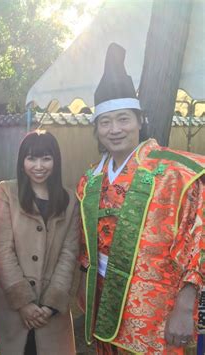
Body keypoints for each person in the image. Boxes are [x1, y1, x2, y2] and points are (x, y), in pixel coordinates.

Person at [77, 43, 204, 354]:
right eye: (105, 122)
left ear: (139, 121)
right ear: (97, 129)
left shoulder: (176, 172)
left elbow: (198, 238)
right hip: (103, 300)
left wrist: (186, 305)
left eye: (124, 119)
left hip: (157, 303)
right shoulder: (89, 180)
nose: (115, 129)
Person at [0, 131, 79, 354]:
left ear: (55, 161)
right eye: (31, 158)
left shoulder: (70, 200)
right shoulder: (7, 192)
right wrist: (23, 302)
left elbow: (69, 253)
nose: (39, 166)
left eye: (46, 158)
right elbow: (1, 249)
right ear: (22, 162)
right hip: (10, 306)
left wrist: (51, 304)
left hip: (51, 313)